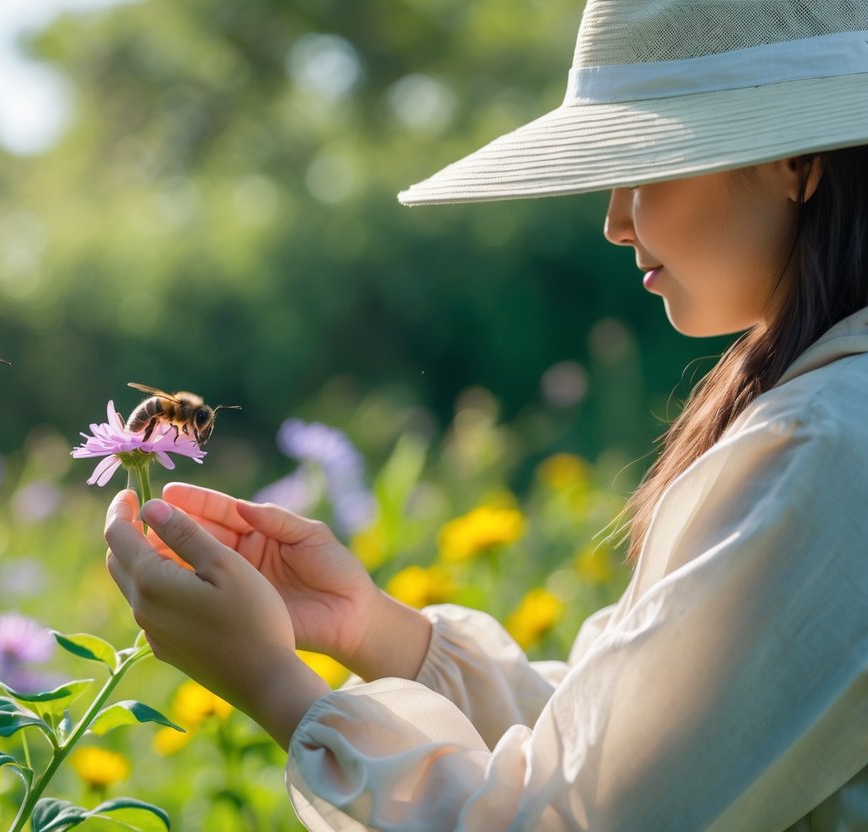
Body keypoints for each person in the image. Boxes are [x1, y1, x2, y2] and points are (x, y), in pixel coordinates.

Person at [104, 0, 868, 828]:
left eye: (644, 164)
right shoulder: (829, 418)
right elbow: (631, 745)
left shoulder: (824, 445)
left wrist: (273, 684)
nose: (614, 221)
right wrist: (377, 632)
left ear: (795, 162)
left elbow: (572, 818)